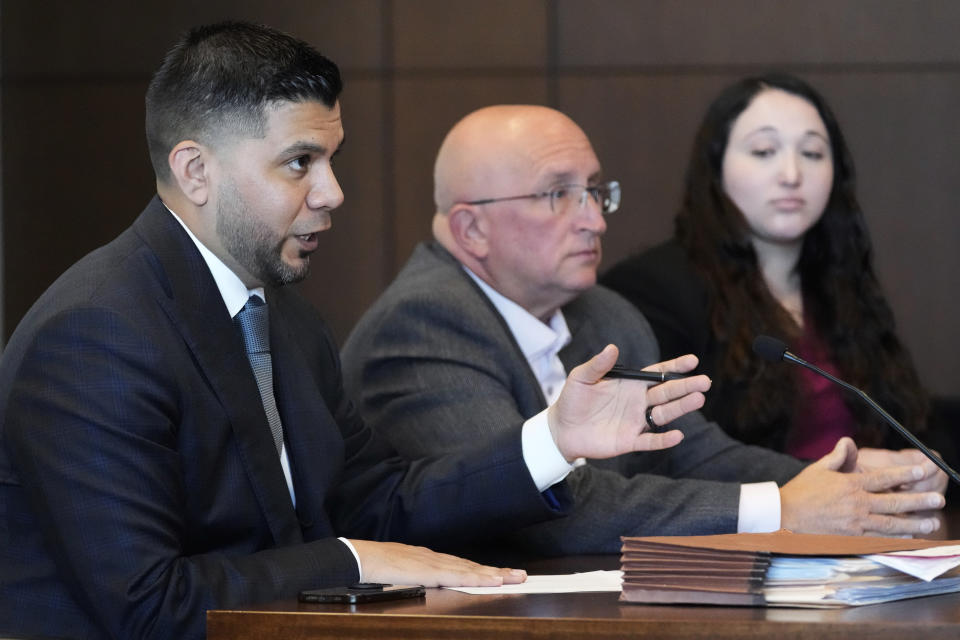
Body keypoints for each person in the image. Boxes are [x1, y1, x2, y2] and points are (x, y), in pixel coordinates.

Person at [0, 24, 707, 640]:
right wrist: (353, 559)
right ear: (195, 170)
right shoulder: (95, 335)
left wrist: (554, 441)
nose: (333, 192)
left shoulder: (285, 317)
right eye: (300, 162)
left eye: (331, 161)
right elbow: (149, 608)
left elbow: (377, 502)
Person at [340, 104, 947, 558]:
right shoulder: (420, 328)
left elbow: (692, 451)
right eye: (559, 195)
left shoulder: (604, 313)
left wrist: (844, 484)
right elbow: (540, 512)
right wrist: (783, 507)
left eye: (596, 193)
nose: (593, 219)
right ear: (472, 230)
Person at [601, 73, 942, 462]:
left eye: (812, 154)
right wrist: (832, 484)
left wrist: (923, 465)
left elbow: (903, 417)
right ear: (715, 168)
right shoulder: (654, 290)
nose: (792, 176)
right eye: (764, 151)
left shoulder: (840, 282)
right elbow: (677, 457)